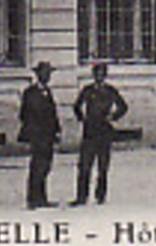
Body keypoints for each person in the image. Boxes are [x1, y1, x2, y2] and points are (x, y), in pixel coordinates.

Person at [71, 63, 127, 206]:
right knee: (84, 165)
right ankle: (81, 197)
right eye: (97, 74)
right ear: (93, 75)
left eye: (102, 74)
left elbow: (123, 106)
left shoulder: (110, 91)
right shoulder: (87, 90)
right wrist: (82, 118)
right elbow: (77, 106)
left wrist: (113, 117)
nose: (99, 76)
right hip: (90, 131)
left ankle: (100, 196)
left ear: (105, 75)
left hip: (104, 131)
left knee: (103, 166)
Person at [18, 61, 62, 209]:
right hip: (38, 135)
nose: (47, 76)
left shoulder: (48, 92)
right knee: (37, 166)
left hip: (48, 135)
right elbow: (24, 114)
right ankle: (32, 199)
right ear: (38, 75)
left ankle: (42, 198)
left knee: (46, 166)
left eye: (49, 73)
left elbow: (52, 114)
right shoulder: (30, 93)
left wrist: (56, 130)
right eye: (45, 73)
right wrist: (33, 131)